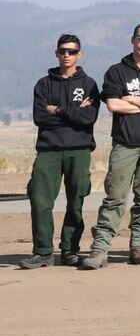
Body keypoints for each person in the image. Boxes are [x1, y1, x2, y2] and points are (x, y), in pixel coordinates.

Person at [81, 24, 140, 269]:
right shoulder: (117, 72)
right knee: (115, 197)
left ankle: (138, 246)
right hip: (124, 145)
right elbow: (113, 106)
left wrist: (130, 98)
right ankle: (100, 248)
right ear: (132, 40)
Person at [25, 35, 100, 269]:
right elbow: (40, 118)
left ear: (80, 54)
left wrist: (57, 110)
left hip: (79, 149)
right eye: (63, 51)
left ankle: (70, 249)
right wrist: (73, 112)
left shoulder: (89, 84)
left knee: (75, 200)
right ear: (56, 54)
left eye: (71, 51)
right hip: (49, 149)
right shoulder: (43, 84)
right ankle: (43, 251)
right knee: (39, 199)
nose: (67, 55)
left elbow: (89, 118)